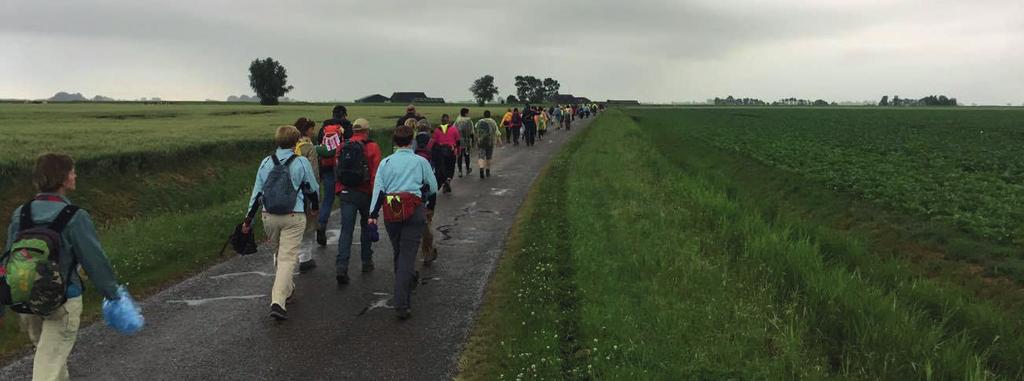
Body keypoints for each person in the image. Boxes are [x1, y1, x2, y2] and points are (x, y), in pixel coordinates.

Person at [2, 153, 127, 381]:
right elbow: (95, 261)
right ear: (62, 178)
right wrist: (114, 295)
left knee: (51, 357)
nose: (75, 175)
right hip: (63, 300)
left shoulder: (21, 212)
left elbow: (7, 260)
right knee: (48, 364)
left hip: (26, 297)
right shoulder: (75, 216)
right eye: (72, 171)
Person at [244, 126, 320, 321]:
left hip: (269, 215)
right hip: (293, 215)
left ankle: (288, 290)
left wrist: (248, 219)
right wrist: (315, 206)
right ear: (295, 142)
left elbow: (257, 193)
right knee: (287, 258)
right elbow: (311, 187)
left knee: (279, 254)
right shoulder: (301, 162)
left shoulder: (266, 162)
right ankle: (278, 301)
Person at [368, 124, 439, 320]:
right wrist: (429, 205)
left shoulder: (386, 162)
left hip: (393, 205)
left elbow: (378, 190)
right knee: (408, 254)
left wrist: (372, 215)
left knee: (399, 252)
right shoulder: (420, 161)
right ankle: (401, 301)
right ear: (412, 141)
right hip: (414, 206)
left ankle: (407, 281)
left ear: (395, 141)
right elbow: (433, 187)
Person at [334, 118, 382, 285]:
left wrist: (339, 189)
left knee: (346, 230)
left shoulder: (342, 146)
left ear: (353, 131)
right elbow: (376, 173)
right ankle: (366, 261)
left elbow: (337, 168)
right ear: (367, 131)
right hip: (366, 192)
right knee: (365, 226)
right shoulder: (372, 146)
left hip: (346, 192)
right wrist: (376, 196)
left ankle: (341, 267)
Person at [315, 106, 352, 246]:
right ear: (344, 115)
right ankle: (345, 230)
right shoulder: (347, 126)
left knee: (328, 198)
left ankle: (322, 223)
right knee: (345, 197)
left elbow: (320, 145)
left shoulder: (324, 127)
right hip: (342, 167)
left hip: (327, 166)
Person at [294, 117, 320, 273]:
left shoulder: (291, 145)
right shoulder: (309, 147)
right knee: (308, 224)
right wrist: (316, 196)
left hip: (292, 192)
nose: (313, 131)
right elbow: (313, 174)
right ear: (305, 130)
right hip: (307, 191)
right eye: (311, 128)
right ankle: (305, 257)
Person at [413, 118, 439, 265]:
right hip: (428, 189)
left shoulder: (410, 144)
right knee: (427, 220)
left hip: (412, 187)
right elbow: (440, 167)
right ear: (429, 129)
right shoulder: (433, 143)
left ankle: (409, 252)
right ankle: (427, 252)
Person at [431, 114, 461, 193]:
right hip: (451, 151)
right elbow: (458, 141)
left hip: (440, 152)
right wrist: (458, 151)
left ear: (441, 121)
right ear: (448, 121)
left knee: (443, 169)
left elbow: (434, 142)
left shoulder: (437, 130)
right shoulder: (454, 129)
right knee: (451, 168)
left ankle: (445, 182)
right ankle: (448, 180)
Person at [474, 110, 501, 179]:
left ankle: (481, 169)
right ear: (490, 115)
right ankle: (487, 171)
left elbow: (476, 130)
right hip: (490, 141)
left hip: (481, 141)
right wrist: (499, 141)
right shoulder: (493, 121)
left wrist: (476, 140)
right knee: (488, 156)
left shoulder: (479, 122)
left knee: (481, 156)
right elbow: (497, 132)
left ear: (484, 115)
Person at [454, 108, 475, 178]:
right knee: (467, 155)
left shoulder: (457, 119)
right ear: (465, 113)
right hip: (466, 140)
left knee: (459, 155)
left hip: (458, 140)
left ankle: (460, 171)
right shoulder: (468, 120)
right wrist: (473, 140)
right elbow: (471, 131)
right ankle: (467, 169)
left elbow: (454, 129)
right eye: (467, 112)